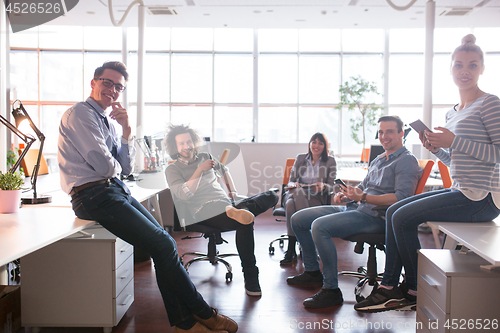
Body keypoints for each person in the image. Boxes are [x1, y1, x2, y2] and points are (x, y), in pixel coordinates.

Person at [58, 61, 237, 333]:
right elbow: (106, 167)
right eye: (108, 82)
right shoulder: (81, 115)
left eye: (119, 87)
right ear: (93, 82)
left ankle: (185, 324)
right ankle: (202, 313)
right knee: (164, 244)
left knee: (163, 246)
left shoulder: (106, 121)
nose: (113, 90)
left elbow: (125, 168)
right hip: (93, 195)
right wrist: (114, 163)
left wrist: (127, 132)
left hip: (112, 189)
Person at [354, 34, 500, 313]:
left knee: (402, 216)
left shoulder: (490, 103)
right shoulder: (452, 113)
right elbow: (457, 160)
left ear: (482, 68)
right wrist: (436, 149)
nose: (464, 71)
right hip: (462, 189)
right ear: (451, 70)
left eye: (472, 65)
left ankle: (411, 289)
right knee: (395, 210)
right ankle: (388, 287)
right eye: (458, 65)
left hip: (483, 197)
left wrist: (454, 141)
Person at [286, 116, 422, 309]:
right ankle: (312, 271)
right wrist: (348, 195)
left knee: (319, 227)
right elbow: (364, 186)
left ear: (401, 133)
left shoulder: (406, 160)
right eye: (381, 132)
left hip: (376, 217)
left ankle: (331, 289)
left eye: (390, 131)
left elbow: (401, 198)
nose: (384, 136)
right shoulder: (379, 159)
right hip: (357, 208)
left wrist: (363, 197)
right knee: (298, 218)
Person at [164, 124, 279, 297]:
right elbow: (185, 194)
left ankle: (238, 209)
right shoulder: (173, 169)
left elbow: (224, 170)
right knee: (244, 221)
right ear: (175, 147)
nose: (186, 146)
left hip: (224, 202)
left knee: (272, 196)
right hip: (202, 211)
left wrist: (232, 191)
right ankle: (251, 276)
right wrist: (199, 170)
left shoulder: (205, 156)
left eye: (189, 141)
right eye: (181, 143)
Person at [280, 132, 337, 265]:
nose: (316, 145)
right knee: (298, 192)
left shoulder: (330, 161)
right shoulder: (300, 158)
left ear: (324, 146)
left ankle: (291, 249)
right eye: (314, 142)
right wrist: (294, 185)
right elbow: (290, 182)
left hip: (315, 197)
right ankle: (307, 244)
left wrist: (323, 186)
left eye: (320, 143)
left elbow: (332, 187)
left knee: (290, 206)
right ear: (310, 144)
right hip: (294, 193)